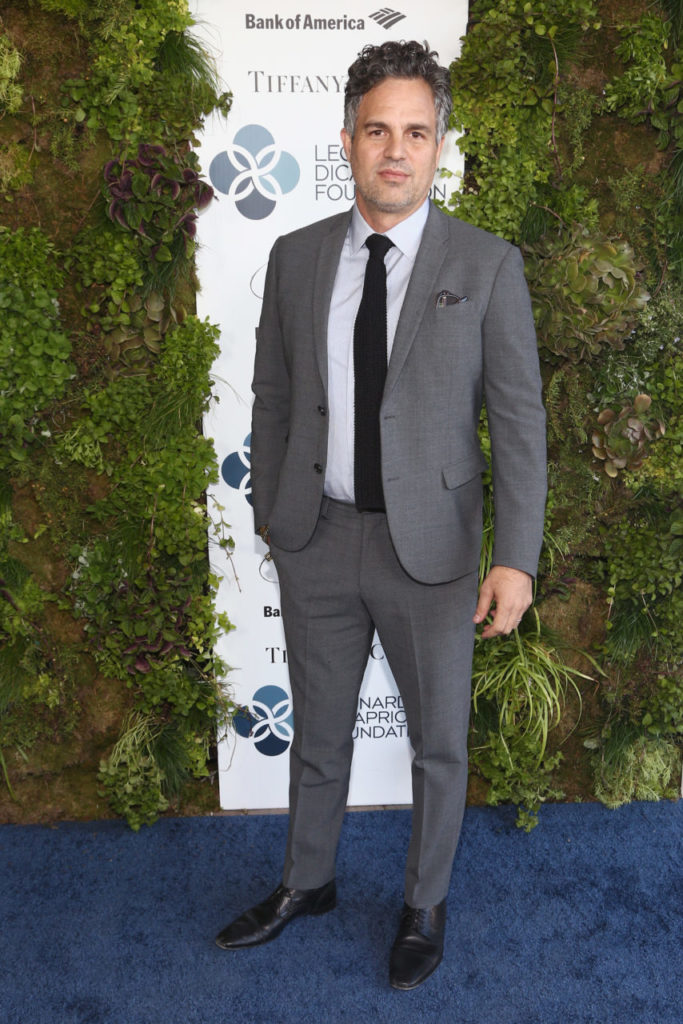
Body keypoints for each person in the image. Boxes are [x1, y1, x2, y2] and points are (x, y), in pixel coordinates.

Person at [215, 40, 547, 990]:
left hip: (431, 555)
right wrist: (275, 516)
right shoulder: (295, 257)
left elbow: (518, 425)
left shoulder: (485, 266)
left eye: (415, 132)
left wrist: (514, 558)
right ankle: (305, 883)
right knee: (318, 733)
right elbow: (272, 399)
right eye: (376, 131)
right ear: (347, 140)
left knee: (438, 744)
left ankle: (421, 905)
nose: (394, 151)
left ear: (438, 144)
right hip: (314, 539)